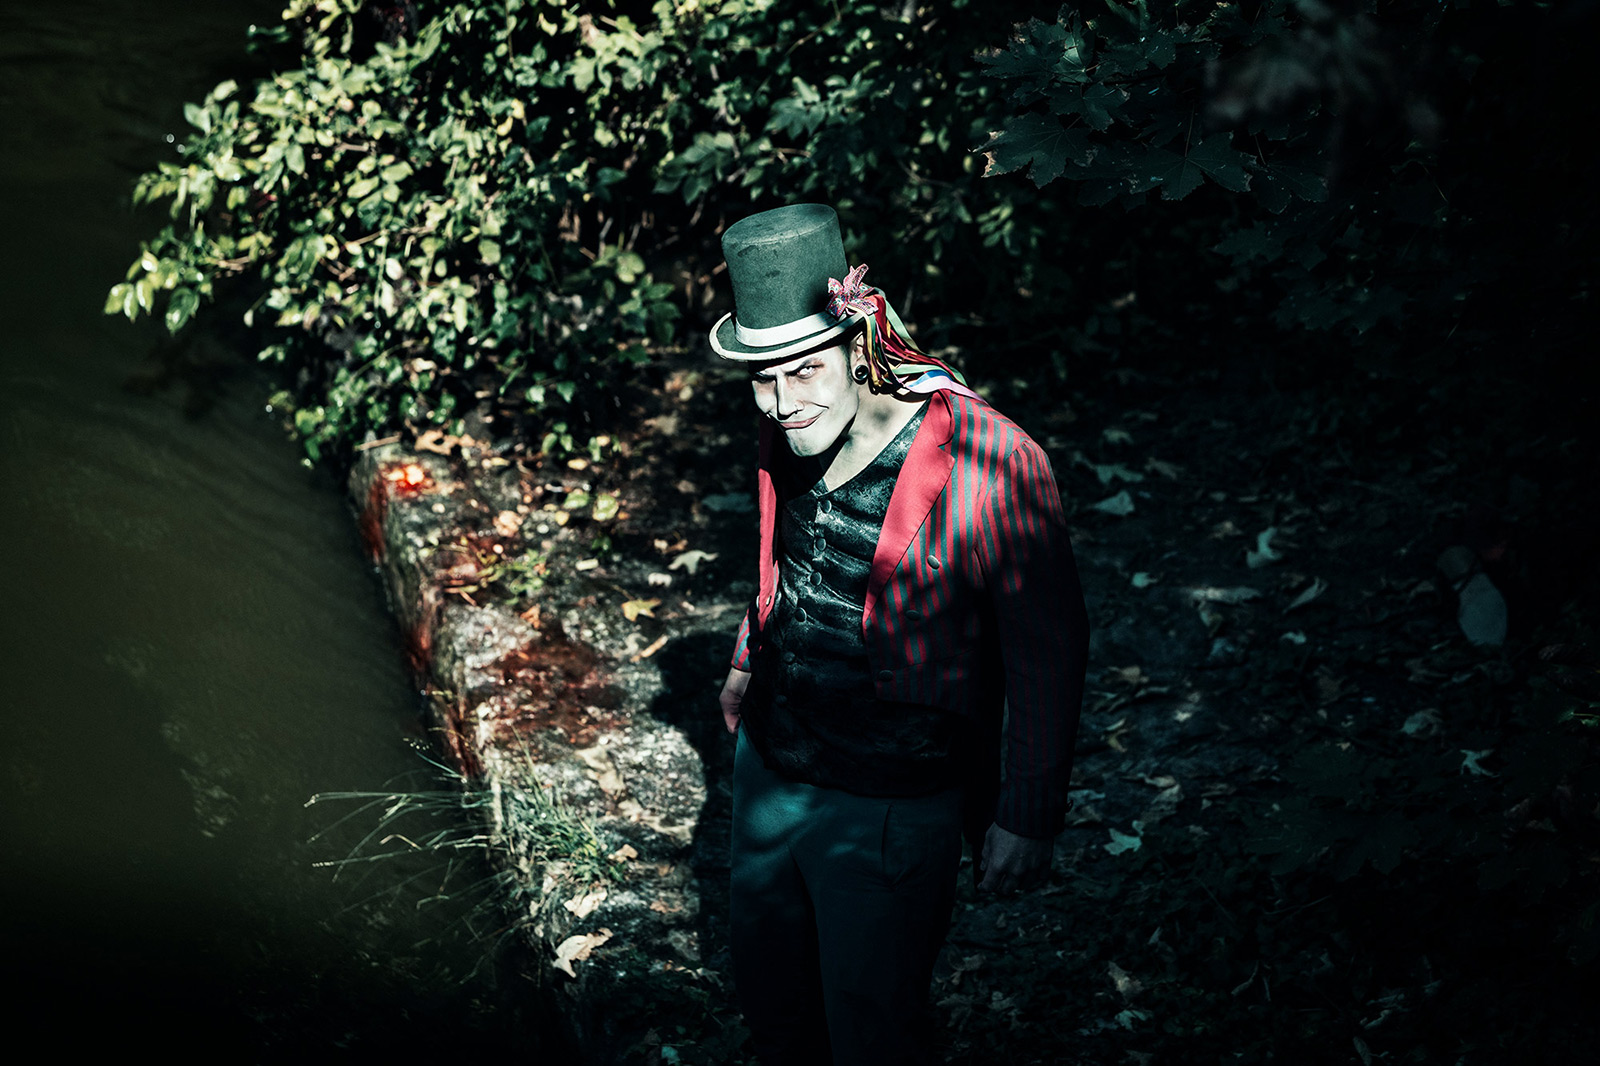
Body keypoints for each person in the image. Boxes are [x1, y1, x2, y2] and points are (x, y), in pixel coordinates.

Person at [711, 203, 1089, 1065]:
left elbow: (1049, 651)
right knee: (773, 1001)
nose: (783, 402)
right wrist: (745, 654)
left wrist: (1027, 815)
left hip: (887, 801)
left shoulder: (992, 461)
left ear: (858, 342)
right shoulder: (790, 414)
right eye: (763, 380)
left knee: (872, 1027)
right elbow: (786, 549)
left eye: (803, 371)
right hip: (771, 764)